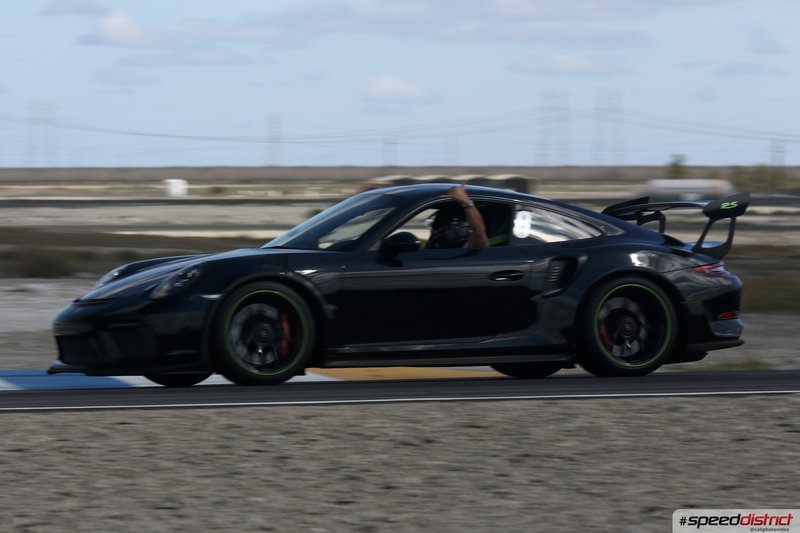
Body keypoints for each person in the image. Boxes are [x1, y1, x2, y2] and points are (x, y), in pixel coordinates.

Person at [426, 183, 489, 250]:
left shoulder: (468, 249)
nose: (434, 232)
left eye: (438, 228)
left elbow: (479, 234)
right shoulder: (436, 248)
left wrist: (467, 203)